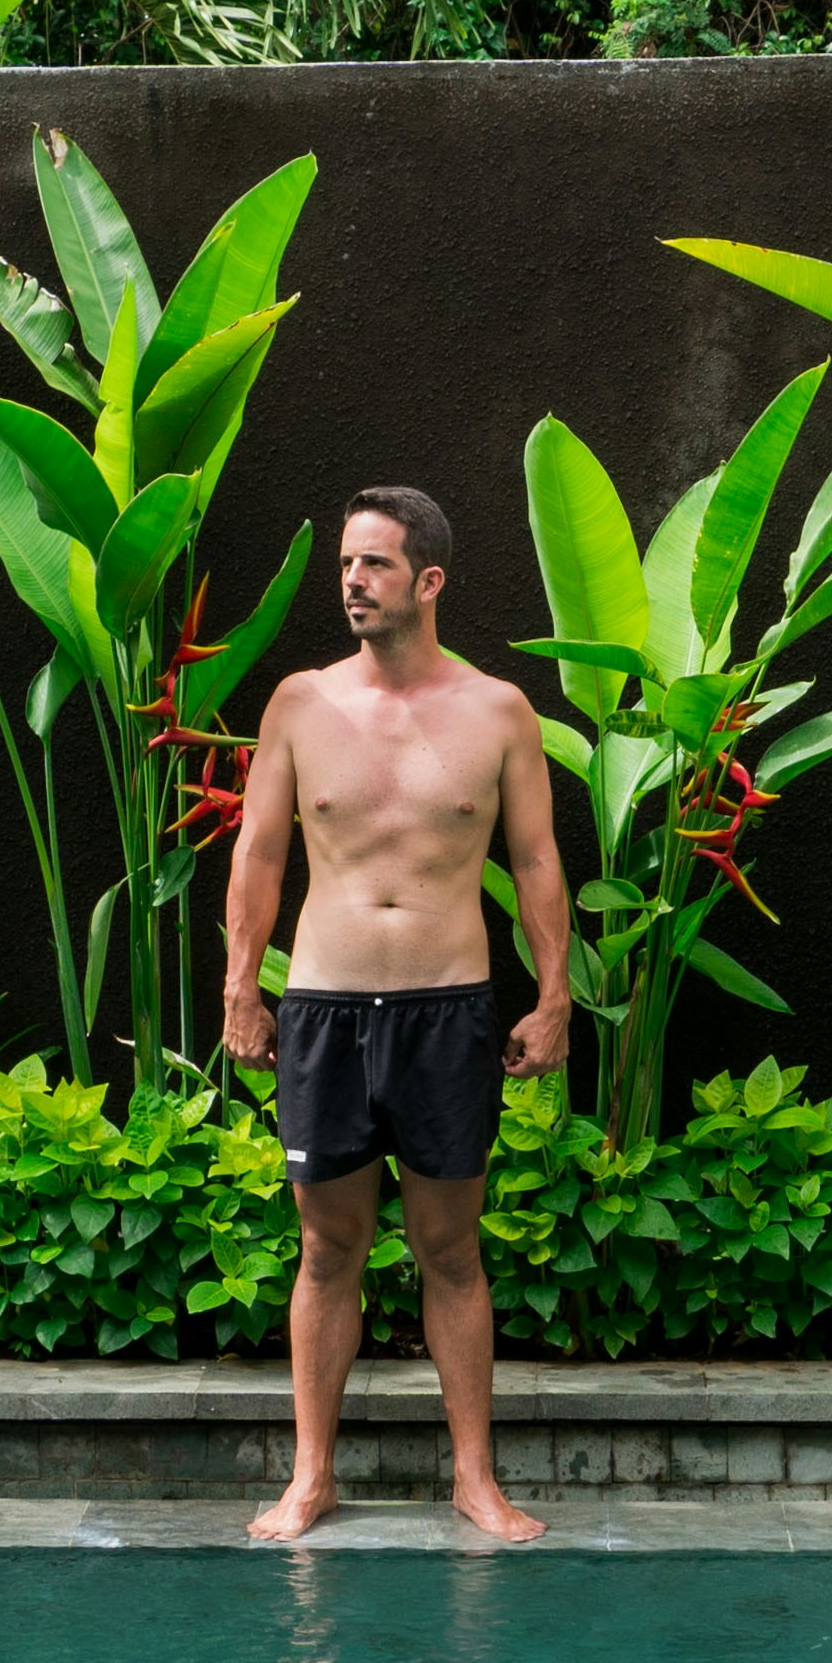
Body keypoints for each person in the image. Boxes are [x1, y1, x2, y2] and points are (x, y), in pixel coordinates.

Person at [216, 485, 574, 1543]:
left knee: (449, 1248)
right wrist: (242, 985)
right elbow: (258, 853)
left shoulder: (498, 712)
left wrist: (554, 996)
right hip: (325, 1007)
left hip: (445, 1011)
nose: (351, 582)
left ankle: (474, 1480)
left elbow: (536, 861)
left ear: (428, 580)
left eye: (372, 564)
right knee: (325, 1248)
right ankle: (310, 1478)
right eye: (344, 564)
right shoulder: (299, 704)